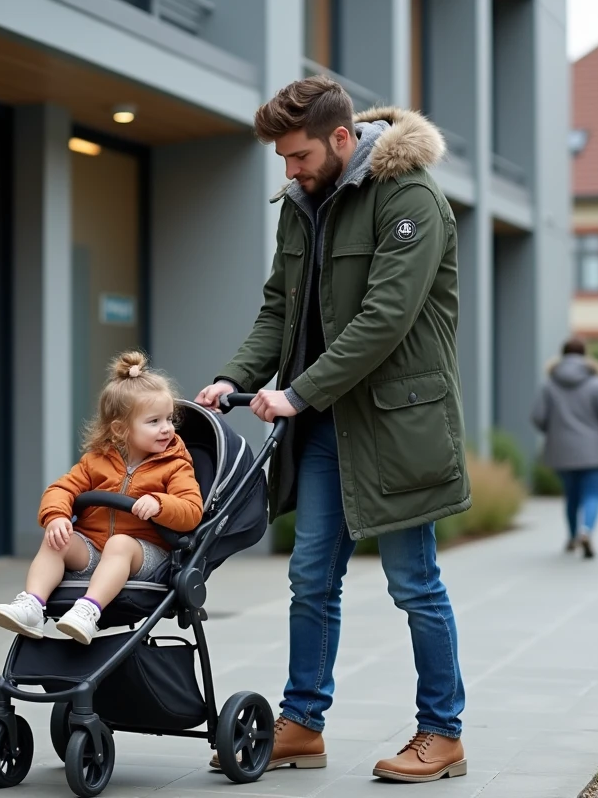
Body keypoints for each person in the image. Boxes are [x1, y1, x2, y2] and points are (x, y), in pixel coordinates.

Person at [195, 75, 471, 783]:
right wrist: (235, 377)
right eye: (282, 159)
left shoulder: (410, 198)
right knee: (311, 577)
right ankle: (302, 724)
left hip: (394, 425)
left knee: (414, 583)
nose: (289, 170)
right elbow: (277, 312)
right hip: (321, 425)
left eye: (298, 155)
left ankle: (442, 734)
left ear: (342, 139)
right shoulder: (301, 205)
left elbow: (384, 319)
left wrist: (297, 393)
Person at [0, 351, 203, 645]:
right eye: (154, 421)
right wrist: (57, 517)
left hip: (145, 555)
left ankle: (88, 610)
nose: (166, 428)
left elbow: (192, 510)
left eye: (169, 419)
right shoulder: (96, 461)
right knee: (58, 538)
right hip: (94, 551)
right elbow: (61, 489)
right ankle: (33, 605)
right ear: (120, 429)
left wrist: (160, 504)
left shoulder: (175, 465)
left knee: (119, 543)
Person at [531, 337, 598, 559]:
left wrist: (555, 430)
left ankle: (572, 536)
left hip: (561, 450)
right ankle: (586, 531)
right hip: (594, 449)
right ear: (586, 355)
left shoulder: (549, 384)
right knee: (593, 494)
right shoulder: (596, 383)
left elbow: (538, 417)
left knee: (571, 496)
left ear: (562, 354)